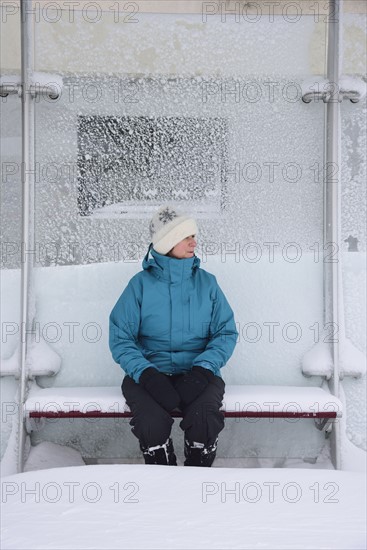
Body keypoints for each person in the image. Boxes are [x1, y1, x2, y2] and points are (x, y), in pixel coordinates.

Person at [109, 205, 238, 466]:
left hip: (198, 374)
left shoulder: (207, 283)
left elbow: (225, 332)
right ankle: (161, 474)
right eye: (185, 236)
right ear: (167, 242)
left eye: (194, 235)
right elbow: (121, 337)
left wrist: (203, 370)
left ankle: (197, 474)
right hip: (148, 374)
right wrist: (147, 374)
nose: (194, 241)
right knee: (151, 422)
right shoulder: (140, 285)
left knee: (204, 419)